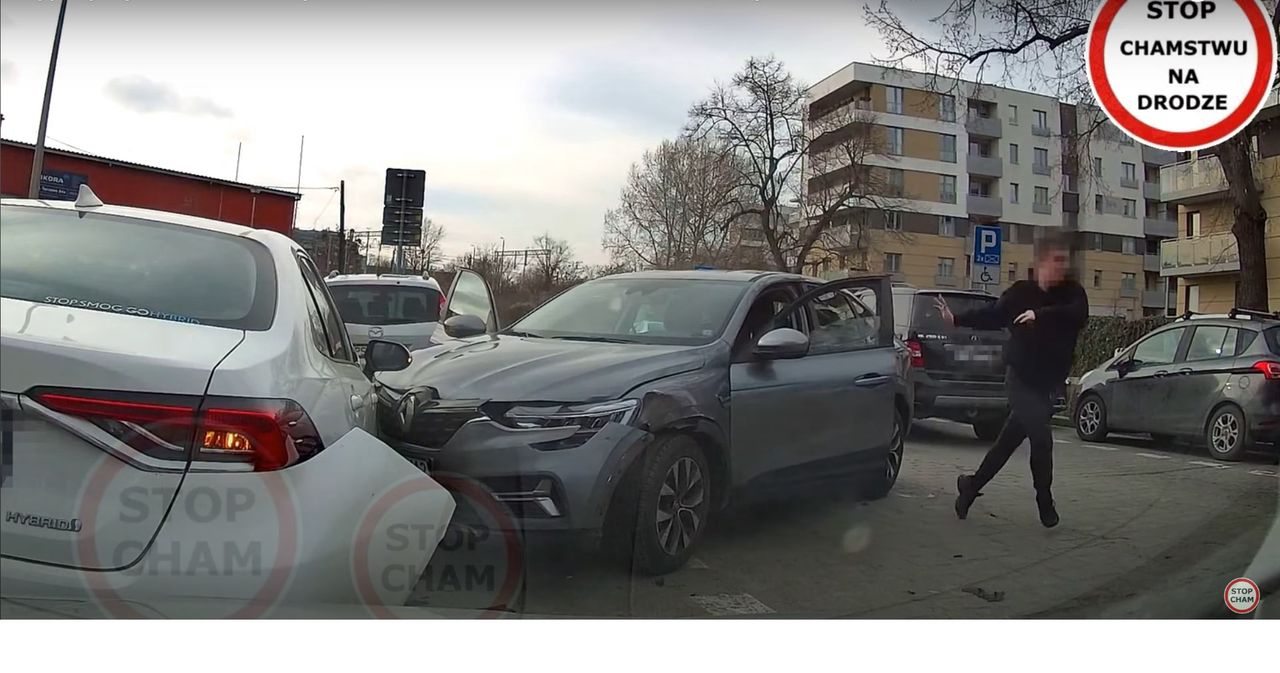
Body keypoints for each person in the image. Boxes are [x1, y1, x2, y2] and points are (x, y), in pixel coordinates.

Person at [935, 232, 1087, 528]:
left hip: (1048, 383)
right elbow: (991, 314)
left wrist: (1038, 316)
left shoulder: (1072, 294)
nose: (1061, 267)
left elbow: (1077, 314)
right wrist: (956, 319)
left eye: (1064, 262)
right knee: (1041, 439)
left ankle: (970, 486)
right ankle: (1045, 501)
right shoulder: (1020, 293)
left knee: (1006, 444)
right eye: (1056, 261)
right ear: (1042, 263)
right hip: (1020, 378)